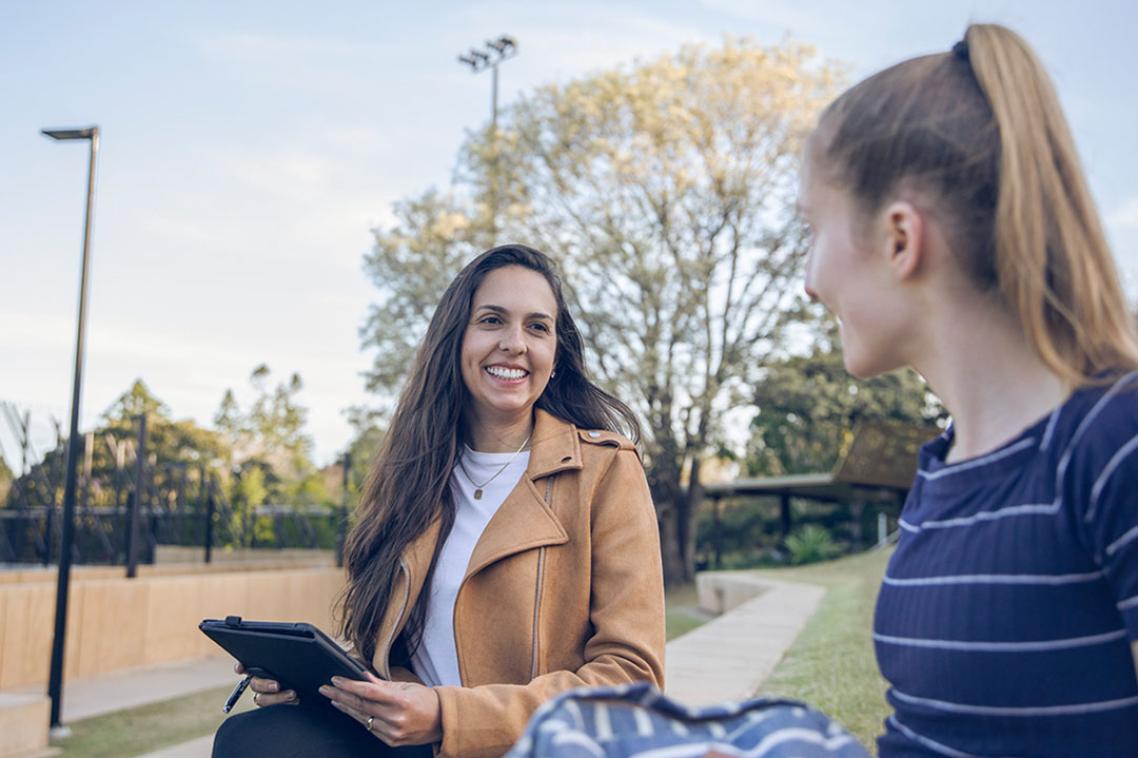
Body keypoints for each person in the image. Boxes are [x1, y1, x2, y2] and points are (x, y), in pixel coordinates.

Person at [798, 22, 1138, 757]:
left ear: (898, 239)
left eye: (811, 229)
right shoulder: (942, 473)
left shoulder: (1117, 441)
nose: (808, 277)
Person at [211, 244, 665, 758]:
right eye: (492, 320)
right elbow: (394, 657)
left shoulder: (605, 469)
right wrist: (315, 684)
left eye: (537, 327)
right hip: (410, 746)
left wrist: (449, 715)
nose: (515, 344)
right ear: (456, 341)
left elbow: (634, 682)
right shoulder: (414, 474)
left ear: (556, 357)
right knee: (254, 740)